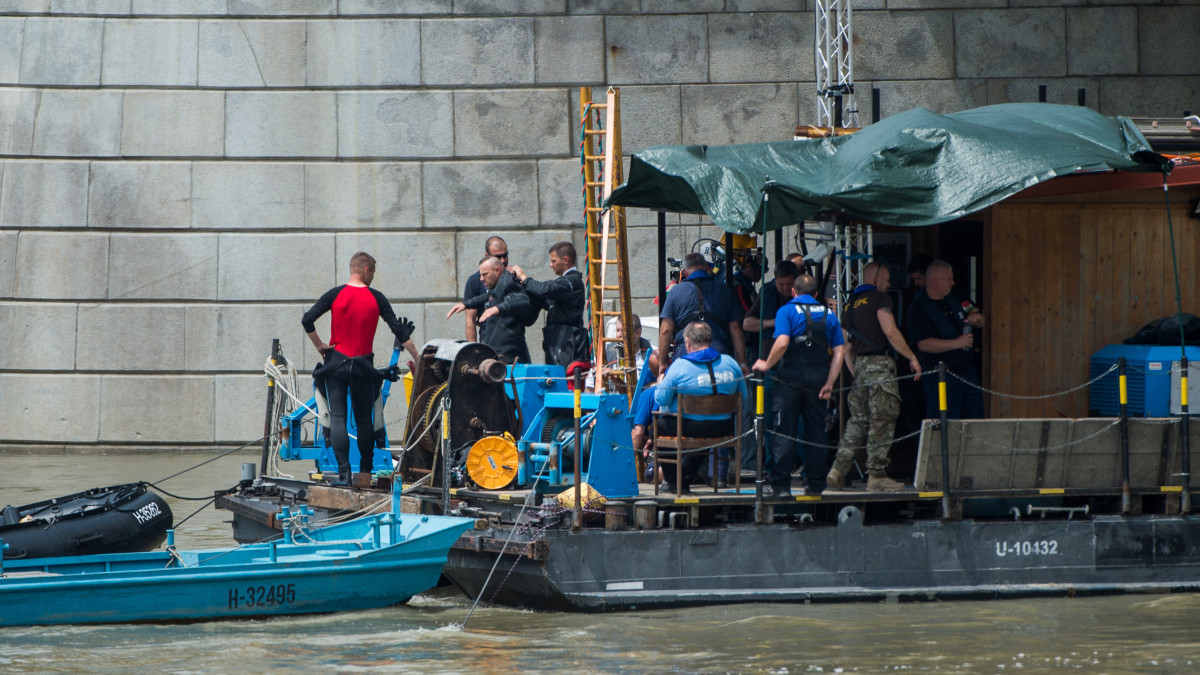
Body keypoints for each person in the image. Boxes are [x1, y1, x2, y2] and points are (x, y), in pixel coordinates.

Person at [302, 252, 418, 486]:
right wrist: (418, 357)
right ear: (367, 270)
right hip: (364, 366)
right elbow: (398, 330)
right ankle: (365, 474)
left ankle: (343, 475)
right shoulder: (377, 298)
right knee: (364, 421)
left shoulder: (335, 294)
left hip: (336, 363)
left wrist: (320, 346)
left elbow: (307, 319)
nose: (373, 276)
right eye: (373, 272)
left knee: (338, 418)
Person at [827, 262, 922, 492]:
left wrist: (855, 371)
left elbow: (845, 345)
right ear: (877, 278)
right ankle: (877, 475)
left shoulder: (850, 304)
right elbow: (890, 331)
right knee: (883, 417)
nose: (889, 285)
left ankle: (837, 472)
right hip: (880, 366)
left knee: (857, 421)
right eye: (887, 280)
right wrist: (911, 357)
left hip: (860, 368)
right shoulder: (880, 299)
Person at [752, 274, 845, 497]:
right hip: (818, 382)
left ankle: (781, 486)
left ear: (794, 292)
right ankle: (815, 485)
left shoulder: (785, 311)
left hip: (789, 381)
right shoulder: (829, 314)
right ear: (815, 295)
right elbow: (840, 350)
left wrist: (767, 364)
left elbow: (782, 342)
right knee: (816, 433)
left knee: (785, 431)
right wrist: (830, 383)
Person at [654, 322, 748, 494]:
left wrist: (660, 382)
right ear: (710, 340)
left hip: (691, 427)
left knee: (660, 425)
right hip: (724, 427)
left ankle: (675, 482)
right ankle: (684, 479)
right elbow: (744, 398)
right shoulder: (731, 363)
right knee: (704, 431)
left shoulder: (679, 366)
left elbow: (660, 398)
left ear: (687, 342)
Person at [906, 260, 985, 419]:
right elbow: (924, 344)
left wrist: (978, 318)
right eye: (949, 278)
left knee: (975, 420)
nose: (953, 282)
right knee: (943, 425)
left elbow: (979, 316)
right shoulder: (918, 309)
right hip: (941, 377)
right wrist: (958, 343)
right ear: (935, 281)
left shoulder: (955, 297)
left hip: (967, 373)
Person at [658, 252, 748, 378]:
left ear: (685, 272)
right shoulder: (724, 290)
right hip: (719, 356)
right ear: (707, 267)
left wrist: (662, 364)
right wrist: (742, 363)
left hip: (685, 355)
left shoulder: (676, 292)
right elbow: (736, 328)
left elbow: (665, 330)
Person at [509, 241, 588, 366]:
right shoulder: (566, 282)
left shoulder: (571, 282)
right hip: (559, 340)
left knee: (563, 378)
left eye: (554, 261)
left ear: (565, 260)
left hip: (568, 342)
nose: (551, 265)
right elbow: (543, 297)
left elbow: (544, 289)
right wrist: (520, 282)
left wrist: (524, 277)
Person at [447, 256, 533, 364]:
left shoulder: (508, 281)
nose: (481, 279)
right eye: (481, 275)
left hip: (510, 360)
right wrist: (466, 304)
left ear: (497, 270)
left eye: (485, 274)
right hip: (497, 357)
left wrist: (497, 309)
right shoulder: (498, 284)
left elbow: (524, 300)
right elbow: (489, 296)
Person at [743, 260, 799, 363]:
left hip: (796, 361)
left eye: (790, 284)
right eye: (781, 284)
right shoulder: (767, 293)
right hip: (769, 359)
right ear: (775, 279)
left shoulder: (805, 294)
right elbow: (747, 324)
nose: (785, 288)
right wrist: (771, 322)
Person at [462, 236, 509, 342]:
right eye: (498, 257)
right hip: (489, 341)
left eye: (505, 256)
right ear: (487, 256)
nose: (502, 260)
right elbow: (470, 320)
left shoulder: (513, 276)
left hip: (513, 341)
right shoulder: (475, 280)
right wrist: (473, 351)